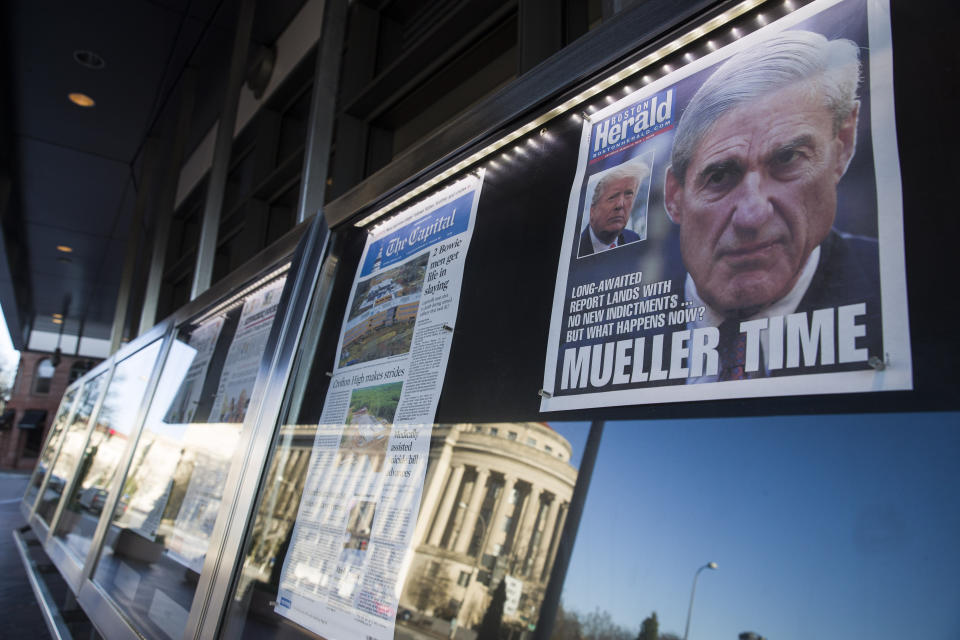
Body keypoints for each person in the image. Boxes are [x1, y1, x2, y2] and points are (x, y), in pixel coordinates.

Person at [662, 30, 881, 381]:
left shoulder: (914, 307)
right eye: (719, 176)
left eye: (788, 159)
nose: (752, 214)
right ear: (674, 195)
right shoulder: (609, 341)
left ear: (843, 144)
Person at [578, 161, 649, 256]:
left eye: (628, 195)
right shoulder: (577, 250)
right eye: (612, 197)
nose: (620, 205)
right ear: (593, 210)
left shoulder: (633, 238)